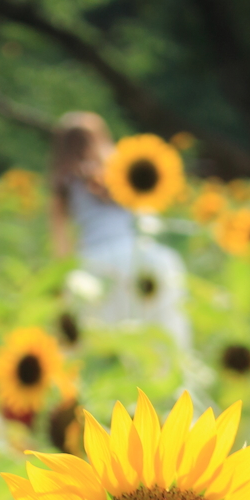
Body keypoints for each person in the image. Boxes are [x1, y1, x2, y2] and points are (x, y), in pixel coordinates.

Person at [50, 111, 190, 348]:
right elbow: (148, 216)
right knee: (162, 339)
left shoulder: (64, 181)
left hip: (96, 266)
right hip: (146, 255)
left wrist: (62, 282)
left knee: (107, 342)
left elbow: (61, 241)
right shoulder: (123, 166)